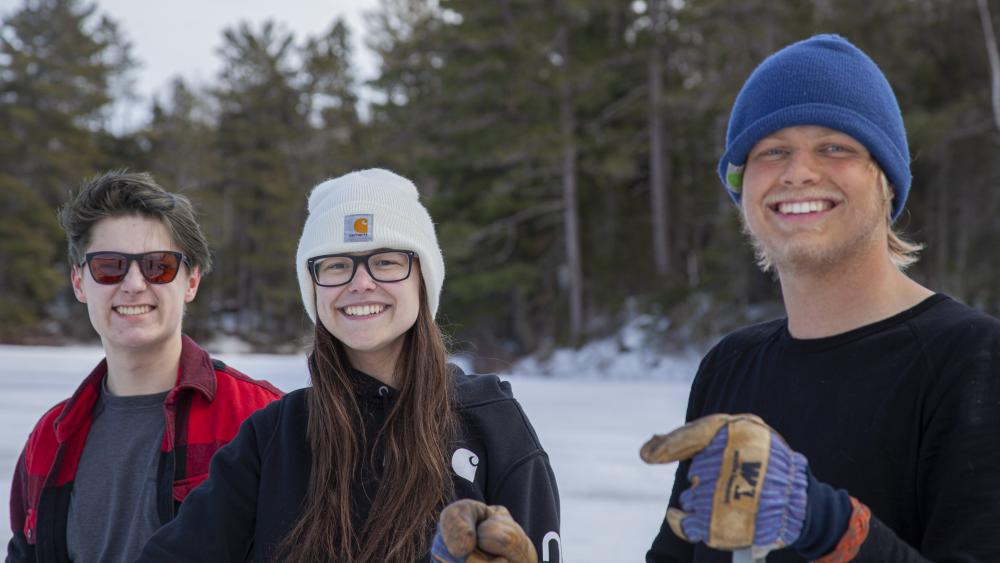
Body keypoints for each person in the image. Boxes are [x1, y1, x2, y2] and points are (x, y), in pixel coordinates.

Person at [643, 34, 1000, 562]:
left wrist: (827, 524)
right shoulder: (730, 367)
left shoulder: (974, 361)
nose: (799, 172)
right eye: (773, 150)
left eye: (835, 147)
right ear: (742, 188)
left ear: (886, 181)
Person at [137, 168, 562, 562]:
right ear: (315, 289)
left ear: (423, 279)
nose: (361, 283)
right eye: (337, 264)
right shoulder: (274, 436)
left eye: (386, 261)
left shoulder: (493, 426)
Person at [6, 171, 283, 563]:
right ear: (79, 283)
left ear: (191, 281)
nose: (134, 284)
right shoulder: (49, 440)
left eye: (158, 266)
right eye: (109, 266)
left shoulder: (261, 419)